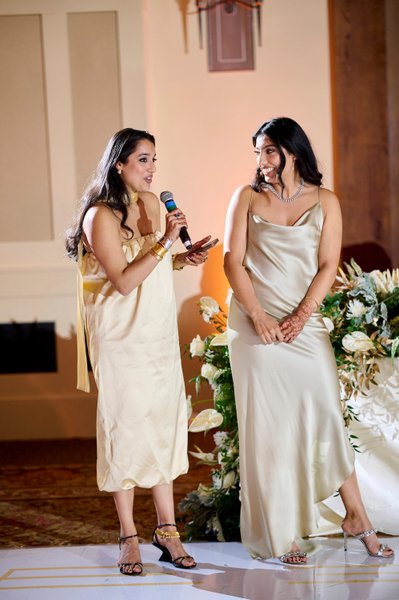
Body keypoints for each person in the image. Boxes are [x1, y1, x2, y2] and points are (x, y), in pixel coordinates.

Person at [223, 117, 394, 564]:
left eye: (269, 152)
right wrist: (258, 317)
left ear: (292, 152)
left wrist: (301, 316)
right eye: (257, 152)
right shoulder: (246, 198)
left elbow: (327, 265)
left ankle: (356, 515)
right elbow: (231, 261)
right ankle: (282, 533)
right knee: (270, 428)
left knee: (326, 416)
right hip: (253, 323)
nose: (261, 161)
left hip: (304, 323)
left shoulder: (326, 201)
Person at [66, 127, 211, 575]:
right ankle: (129, 535)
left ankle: (168, 532)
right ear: (119, 164)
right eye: (143, 159)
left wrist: (185, 256)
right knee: (125, 429)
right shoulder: (99, 216)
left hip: (156, 335)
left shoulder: (151, 205)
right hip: (120, 339)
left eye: (154, 159)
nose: (152, 169)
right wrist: (168, 241)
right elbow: (124, 279)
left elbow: (153, 265)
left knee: (164, 426)